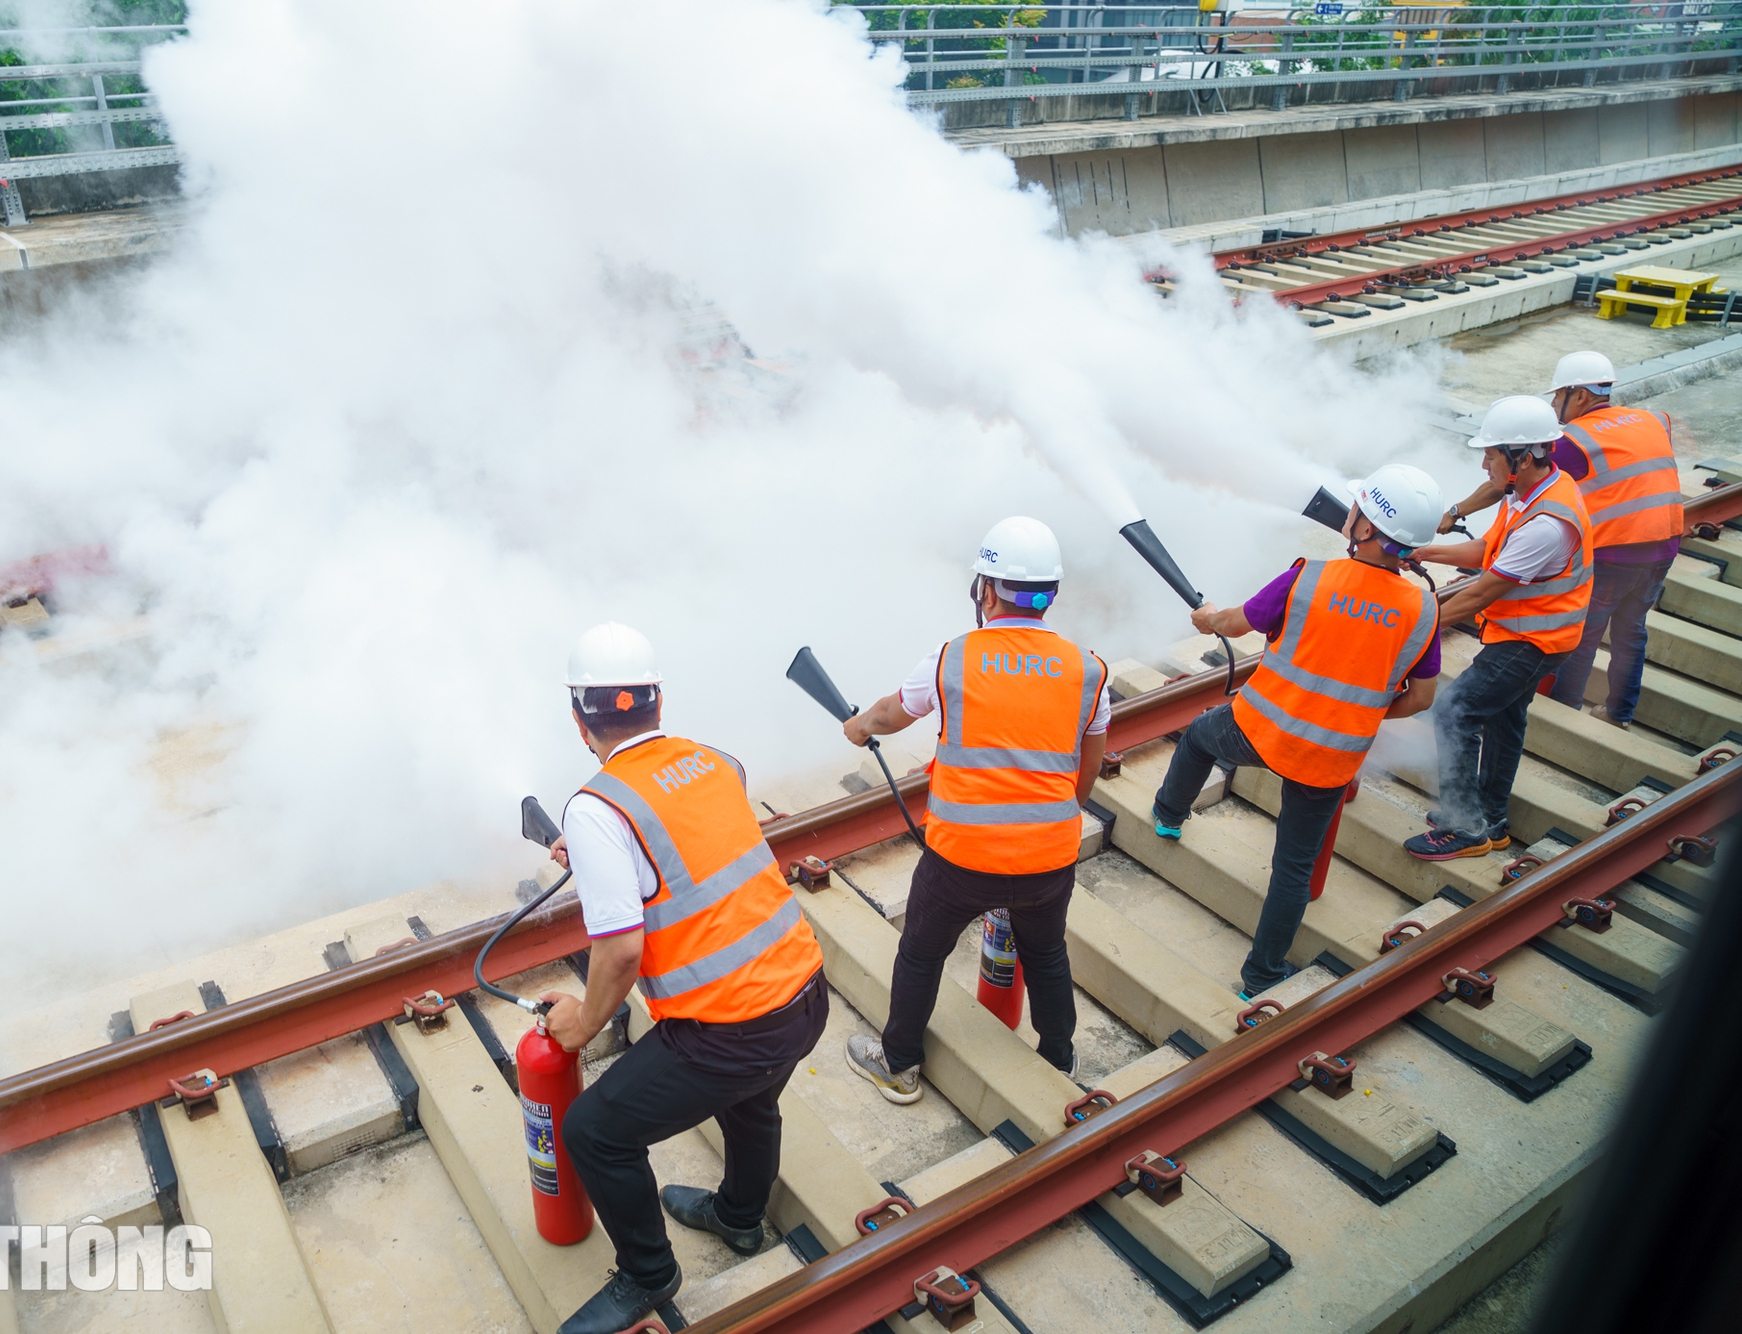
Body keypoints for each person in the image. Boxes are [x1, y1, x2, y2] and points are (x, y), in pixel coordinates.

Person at [540, 623, 828, 1334]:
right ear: (659, 702)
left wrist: (581, 1023)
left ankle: (648, 1273)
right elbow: (689, 847)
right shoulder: (714, 760)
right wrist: (598, 854)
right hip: (804, 992)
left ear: (581, 722)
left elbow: (618, 955)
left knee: (594, 1132)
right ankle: (737, 1217)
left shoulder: (597, 807)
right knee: (753, 1103)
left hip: (728, 1030)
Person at [839, 516, 1108, 1103]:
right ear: (1050, 594)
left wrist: (858, 727)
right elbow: (1086, 769)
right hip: (1048, 859)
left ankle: (899, 1063)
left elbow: (889, 715)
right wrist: (1048, 824)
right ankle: (1058, 1059)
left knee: (920, 954)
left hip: (960, 859)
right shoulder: (1090, 670)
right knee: (1047, 952)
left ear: (986, 590)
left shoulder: (951, 659)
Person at [1151, 465, 1443, 997]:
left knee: (1197, 737)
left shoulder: (1309, 576)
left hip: (1258, 729)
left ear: (1366, 529)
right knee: (1292, 869)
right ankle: (1259, 977)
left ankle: (1168, 817)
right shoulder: (1423, 607)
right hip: (1331, 758)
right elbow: (1421, 697)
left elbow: (1238, 623)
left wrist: (1210, 618)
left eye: (1357, 510)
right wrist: (1365, 713)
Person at [1434, 351, 1682, 728]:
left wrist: (1455, 512)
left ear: (1579, 395)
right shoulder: (1651, 419)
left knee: (1585, 633)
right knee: (1631, 629)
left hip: (1616, 550)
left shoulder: (1573, 441)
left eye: (1557, 396)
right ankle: (1619, 714)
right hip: (1665, 542)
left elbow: (1504, 483)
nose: (1554, 406)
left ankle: (1561, 715)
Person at [1405, 396, 1594, 862]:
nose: (1483, 461)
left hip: (1531, 642)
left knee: (1454, 711)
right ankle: (1490, 816)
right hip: (1534, 634)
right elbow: (1488, 551)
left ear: (1523, 458)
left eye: (1491, 454)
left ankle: (1464, 826)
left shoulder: (1546, 525)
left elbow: (1478, 594)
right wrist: (1426, 552)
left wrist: (1412, 626)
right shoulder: (1535, 491)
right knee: (1506, 719)